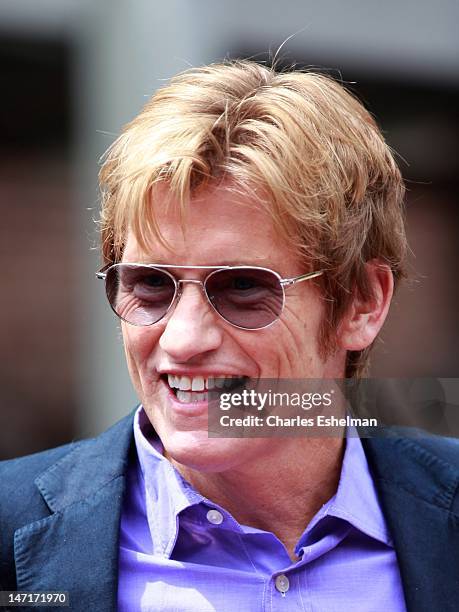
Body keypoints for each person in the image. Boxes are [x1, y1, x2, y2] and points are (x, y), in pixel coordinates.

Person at [1, 60, 458, 612]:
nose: (184, 338)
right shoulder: (14, 533)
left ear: (362, 301)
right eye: (150, 285)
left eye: (243, 288)